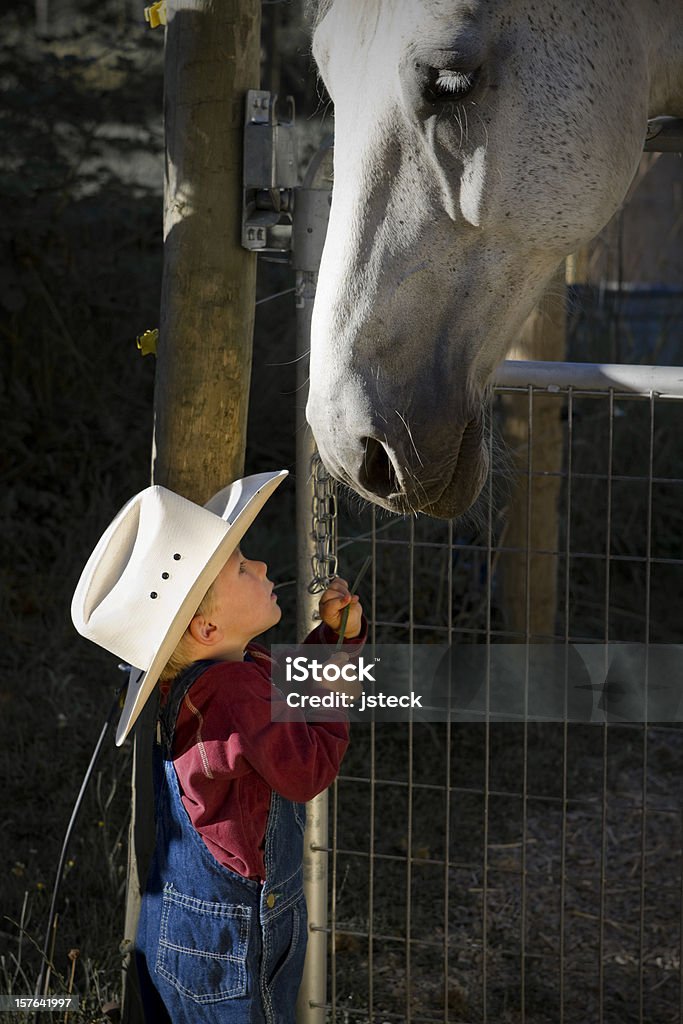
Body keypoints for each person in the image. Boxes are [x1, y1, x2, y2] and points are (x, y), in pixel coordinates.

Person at [71, 470, 365, 1023]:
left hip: (179, 923)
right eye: (241, 567)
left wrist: (335, 640)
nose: (261, 566)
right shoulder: (234, 691)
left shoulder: (211, 678)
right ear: (206, 630)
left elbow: (282, 707)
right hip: (233, 938)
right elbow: (305, 769)